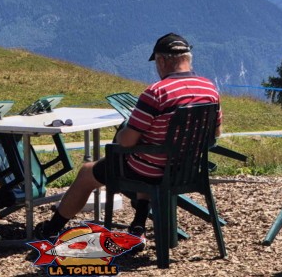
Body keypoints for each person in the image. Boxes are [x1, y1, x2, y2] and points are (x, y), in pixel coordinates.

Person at [35, 33, 222, 240]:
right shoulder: (209, 89)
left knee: (89, 172)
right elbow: (215, 134)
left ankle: (51, 230)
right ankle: (138, 225)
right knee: (147, 154)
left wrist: (125, 129)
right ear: (188, 58)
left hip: (152, 171)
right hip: (188, 169)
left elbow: (126, 142)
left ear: (161, 60)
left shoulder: (156, 93)